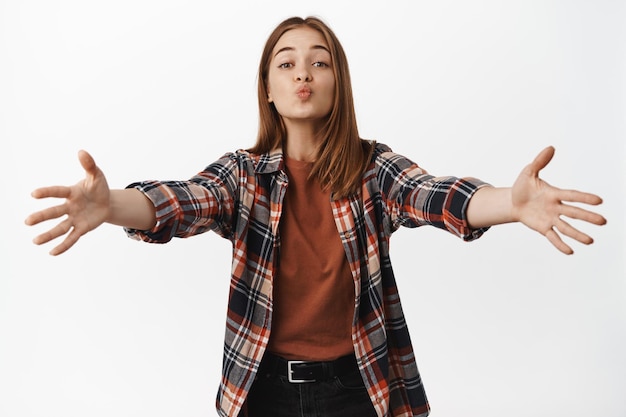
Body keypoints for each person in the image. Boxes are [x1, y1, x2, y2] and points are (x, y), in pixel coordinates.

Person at [25, 16, 606, 417]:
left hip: (360, 387)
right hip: (261, 387)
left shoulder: (373, 170)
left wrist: (511, 201)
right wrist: (110, 206)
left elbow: (435, 196)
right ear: (270, 89)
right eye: (287, 63)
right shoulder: (243, 176)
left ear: (337, 82)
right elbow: (182, 202)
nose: (303, 73)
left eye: (319, 62)